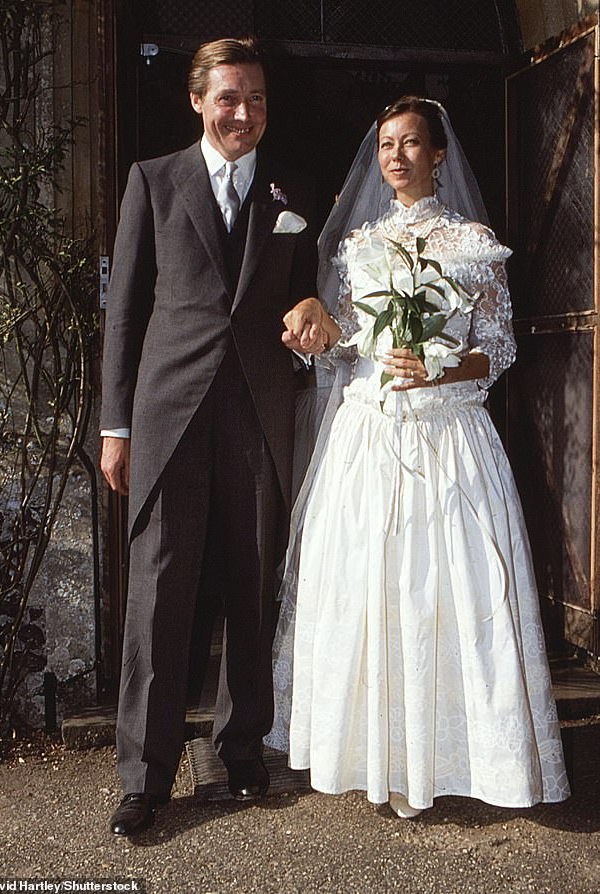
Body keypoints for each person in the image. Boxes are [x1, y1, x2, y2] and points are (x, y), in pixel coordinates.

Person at [271, 96, 570, 817]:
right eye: (386, 145)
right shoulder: (361, 243)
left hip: (448, 435)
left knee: (444, 591)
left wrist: (439, 368)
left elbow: (498, 347)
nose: (396, 156)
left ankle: (463, 757)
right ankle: (380, 754)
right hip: (370, 435)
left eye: (410, 143)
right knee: (371, 588)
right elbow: (350, 342)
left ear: (438, 155)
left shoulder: (471, 242)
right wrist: (319, 330)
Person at [100, 36, 319, 836]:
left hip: (260, 413)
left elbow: (308, 297)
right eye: (229, 97)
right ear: (198, 101)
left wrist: (313, 316)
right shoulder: (153, 181)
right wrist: (116, 426)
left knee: (253, 584)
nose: (243, 113)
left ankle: (241, 751)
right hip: (169, 417)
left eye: (256, 99)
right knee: (160, 593)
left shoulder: (295, 190)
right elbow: (125, 310)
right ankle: (144, 777)